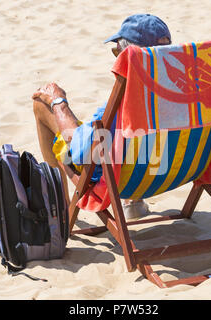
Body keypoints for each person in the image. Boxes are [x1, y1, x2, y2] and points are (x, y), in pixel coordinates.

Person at [32, 14, 172, 219]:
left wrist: (58, 102)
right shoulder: (184, 97)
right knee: (134, 140)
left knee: (42, 106)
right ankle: (134, 203)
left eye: (117, 51)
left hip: (117, 180)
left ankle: (61, 209)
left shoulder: (122, 104)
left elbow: (79, 148)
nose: (115, 54)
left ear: (126, 56)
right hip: (166, 169)